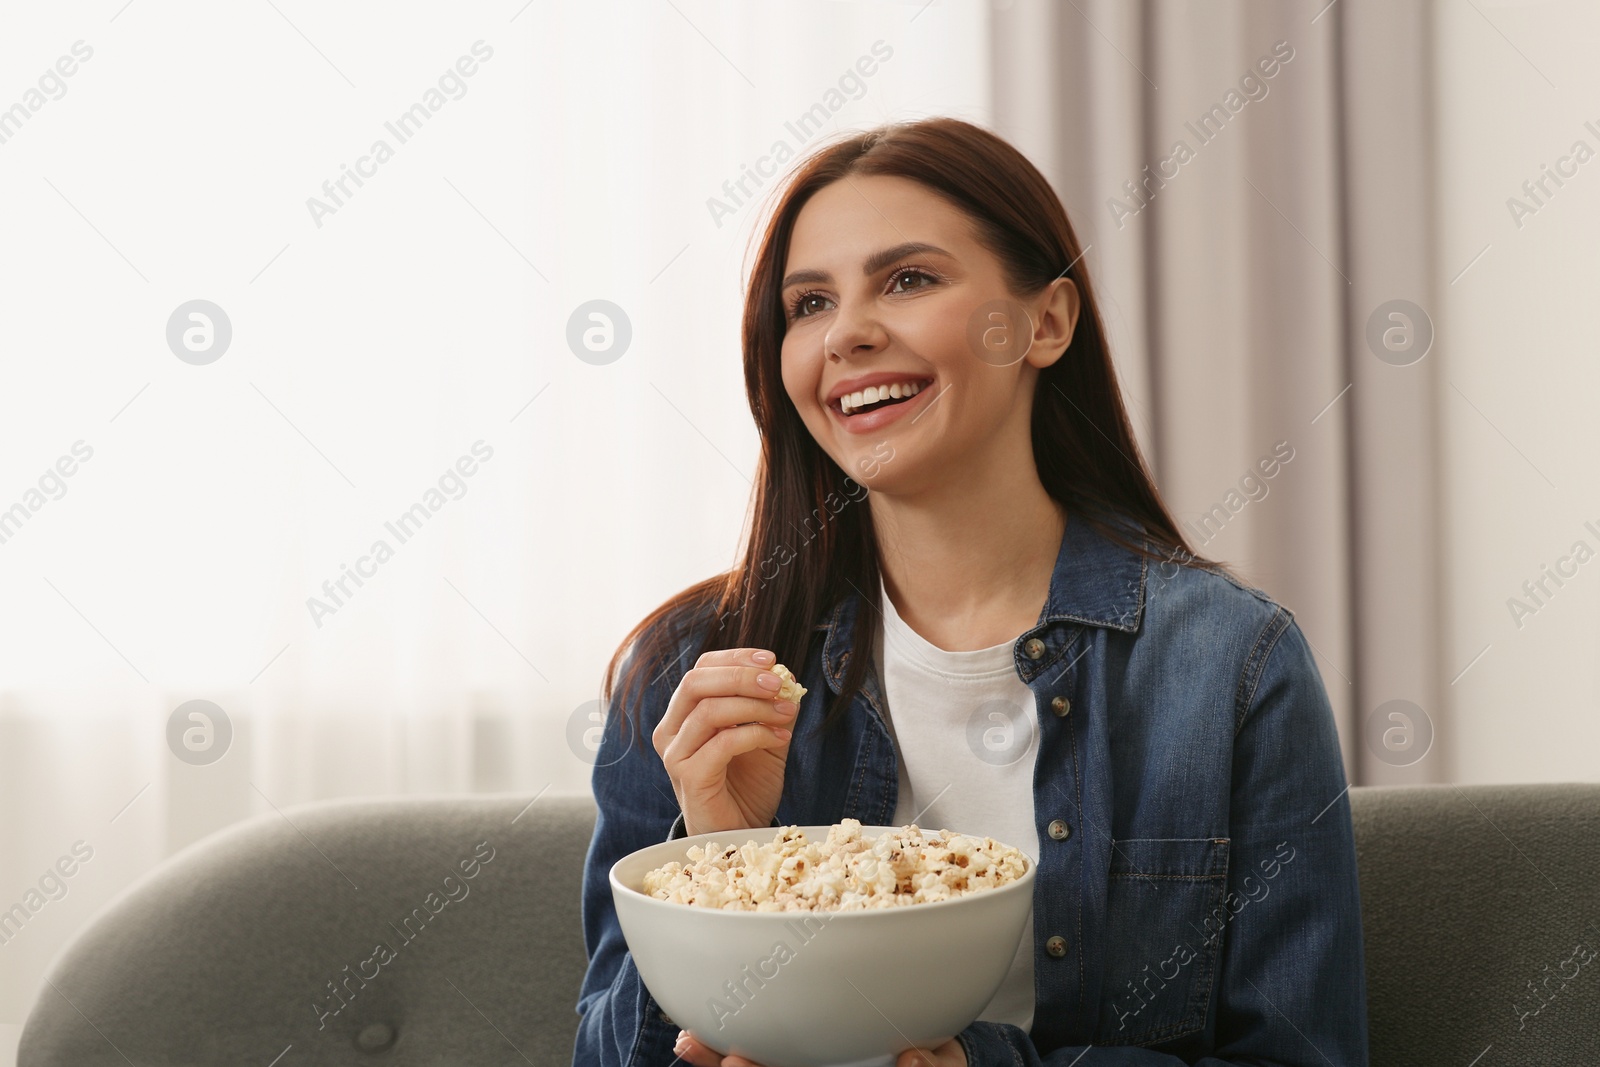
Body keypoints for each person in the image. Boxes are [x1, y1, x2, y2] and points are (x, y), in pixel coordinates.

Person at [573, 116, 1367, 1066]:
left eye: (908, 280)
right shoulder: (690, 670)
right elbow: (602, 1051)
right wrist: (713, 865)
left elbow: (1302, 1055)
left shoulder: (1232, 668)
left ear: (1047, 322)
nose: (850, 334)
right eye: (809, 303)